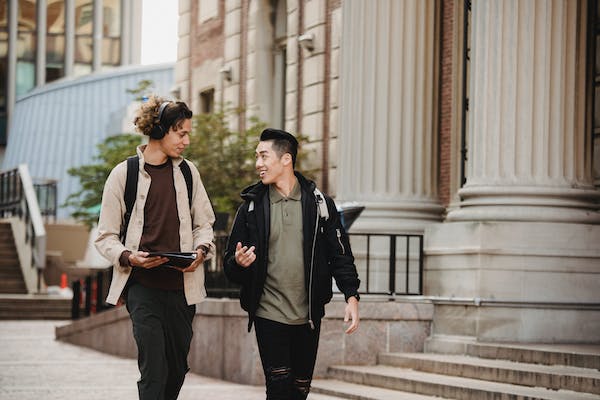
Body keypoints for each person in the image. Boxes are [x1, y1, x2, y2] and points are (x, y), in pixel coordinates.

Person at [223, 128, 360, 400]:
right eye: (256, 157)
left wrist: (351, 295)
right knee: (278, 389)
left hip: (307, 315)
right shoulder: (251, 208)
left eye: (263, 156)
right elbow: (230, 265)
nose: (257, 164)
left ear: (286, 159)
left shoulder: (319, 205)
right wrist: (239, 263)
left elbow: (340, 253)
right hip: (268, 312)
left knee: (300, 391)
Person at [95, 96, 215, 400]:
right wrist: (128, 256)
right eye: (181, 133)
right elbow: (105, 236)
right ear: (160, 130)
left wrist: (200, 254)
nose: (187, 140)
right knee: (154, 372)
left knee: (177, 369)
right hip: (143, 288)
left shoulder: (189, 173)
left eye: (188, 133)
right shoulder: (124, 175)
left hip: (182, 289)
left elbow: (205, 224)